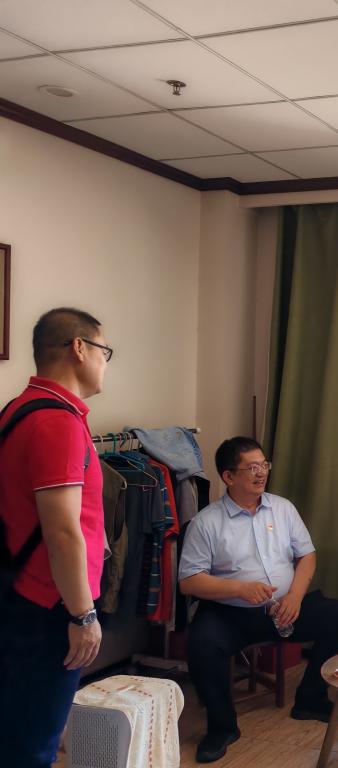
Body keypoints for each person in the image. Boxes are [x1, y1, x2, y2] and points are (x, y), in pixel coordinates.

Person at [179, 436, 338, 764]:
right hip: (231, 613)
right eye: (252, 468)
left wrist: (296, 597)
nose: (261, 473)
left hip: (285, 607)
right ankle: (222, 727)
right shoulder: (207, 523)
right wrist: (238, 589)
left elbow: (307, 555)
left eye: (264, 465)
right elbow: (189, 581)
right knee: (202, 642)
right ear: (228, 476)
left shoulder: (282, 508)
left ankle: (311, 699)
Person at [0, 308, 110, 767]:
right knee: (33, 745)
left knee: (17, 730)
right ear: (79, 348)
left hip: (19, 591)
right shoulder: (57, 422)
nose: (105, 363)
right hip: (48, 607)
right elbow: (62, 530)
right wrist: (83, 615)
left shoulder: (18, 408)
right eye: (105, 351)